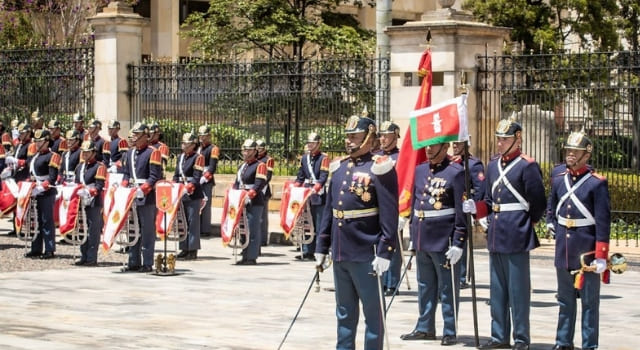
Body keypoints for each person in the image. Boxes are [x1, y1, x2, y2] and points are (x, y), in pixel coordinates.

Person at [315, 114, 398, 350]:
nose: (349, 141)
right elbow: (331, 212)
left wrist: (385, 250)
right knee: (344, 312)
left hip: (366, 251)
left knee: (373, 314)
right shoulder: (339, 168)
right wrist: (322, 246)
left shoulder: (380, 167)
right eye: (348, 137)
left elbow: (389, 214)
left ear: (369, 137)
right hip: (341, 250)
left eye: (355, 137)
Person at [462, 117, 546, 350]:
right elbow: (489, 200)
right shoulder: (493, 165)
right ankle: (499, 336)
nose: (499, 143)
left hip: (517, 232)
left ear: (517, 139)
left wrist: (525, 224)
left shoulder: (527, 165)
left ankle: (521, 338)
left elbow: (538, 201)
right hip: (497, 233)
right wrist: (476, 208)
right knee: (497, 291)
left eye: (504, 139)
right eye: (498, 139)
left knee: (518, 291)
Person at [400, 141, 467, 346]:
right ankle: (425, 326)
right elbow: (416, 204)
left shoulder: (456, 172)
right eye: (427, 146)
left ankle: (449, 329)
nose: (428, 149)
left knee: (447, 287)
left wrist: (459, 241)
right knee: (425, 285)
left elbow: (460, 210)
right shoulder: (420, 170)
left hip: (443, 238)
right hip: (422, 236)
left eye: (434, 146)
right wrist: (412, 236)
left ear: (445, 147)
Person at [547, 130, 610, 350]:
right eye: (569, 151)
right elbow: (552, 204)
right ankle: (563, 341)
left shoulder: (596, 183)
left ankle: (589, 345)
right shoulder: (558, 177)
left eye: (576, 152)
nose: (571, 155)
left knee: (589, 304)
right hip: (564, 249)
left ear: (587, 155)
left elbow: (603, 221)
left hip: (586, 254)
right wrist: (550, 222)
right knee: (564, 301)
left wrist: (601, 255)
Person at [120, 122, 163, 273]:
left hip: (146, 196)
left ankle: (147, 262)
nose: (134, 137)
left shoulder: (153, 152)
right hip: (132, 195)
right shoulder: (130, 153)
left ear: (145, 137)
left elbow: (154, 176)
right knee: (133, 229)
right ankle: (133, 261)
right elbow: (126, 173)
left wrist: (143, 190)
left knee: (147, 231)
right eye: (133, 134)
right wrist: (124, 186)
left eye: (137, 135)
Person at [450, 139, 486, 289]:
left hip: (465, 206)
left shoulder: (473, 164)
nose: (455, 146)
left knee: (461, 239)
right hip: (451, 206)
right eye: (454, 144)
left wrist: (475, 209)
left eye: (458, 143)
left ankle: (462, 275)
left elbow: (480, 188)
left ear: (467, 144)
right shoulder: (450, 162)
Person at [375, 121, 403, 296]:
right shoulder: (375, 156)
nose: (383, 139)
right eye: (381, 135)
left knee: (393, 245)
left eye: (386, 135)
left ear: (395, 136)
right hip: (376, 204)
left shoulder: (401, 157)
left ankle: (392, 282)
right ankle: (380, 280)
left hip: (394, 205)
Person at [24, 129, 61, 259]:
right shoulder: (35, 156)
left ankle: (49, 249)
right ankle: (36, 248)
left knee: (47, 220)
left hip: (46, 191)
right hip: (35, 190)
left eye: (41, 142)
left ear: (47, 141)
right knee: (36, 221)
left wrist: (41, 187)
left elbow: (52, 178)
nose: (38, 144)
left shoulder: (53, 156)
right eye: (37, 141)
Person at [293, 132, 329, 260]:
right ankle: (307, 250)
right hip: (305, 194)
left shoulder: (324, 158)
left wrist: (316, 188)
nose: (309, 145)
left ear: (319, 144)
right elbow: (300, 176)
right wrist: (294, 188)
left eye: (312, 143)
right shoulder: (304, 158)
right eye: (308, 142)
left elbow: (323, 177)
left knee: (318, 225)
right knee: (306, 224)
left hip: (318, 195)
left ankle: (318, 250)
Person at [233, 139, 267, 265]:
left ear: (254, 151)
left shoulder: (260, 165)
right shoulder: (242, 166)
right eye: (244, 150)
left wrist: (250, 195)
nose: (245, 152)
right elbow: (237, 183)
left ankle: (251, 256)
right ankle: (245, 254)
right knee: (243, 229)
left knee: (252, 229)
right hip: (242, 200)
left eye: (248, 150)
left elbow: (259, 184)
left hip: (254, 201)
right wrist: (233, 194)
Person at [74, 140, 107, 266]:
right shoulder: (79, 167)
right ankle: (83, 255)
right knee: (83, 228)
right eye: (84, 152)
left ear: (94, 153)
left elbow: (99, 186)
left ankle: (92, 257)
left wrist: (88, 192)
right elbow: (77, 182)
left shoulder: (99, 167)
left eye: (88, 152)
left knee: (93, 230)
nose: (85, 154)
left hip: (94, 202)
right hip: (81, 200)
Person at [174, 131, 205, 260]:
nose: (184, 145)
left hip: (192, 193)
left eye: (186, 143)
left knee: (192, 222)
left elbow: (197, 177)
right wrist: (174, 186)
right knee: (182, 222)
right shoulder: (181, 157)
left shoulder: (198, 158)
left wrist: (189, 187)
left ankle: (192, 249)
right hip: (181, 192)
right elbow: (176, 174)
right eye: (183, 143)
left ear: (193, 145)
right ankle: (183, 247)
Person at [197, 125, 219, 237]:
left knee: (206, 205)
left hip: (206, 180)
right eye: (200, 135)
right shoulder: (198, 148)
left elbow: (212, 167)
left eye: (204, 136)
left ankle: (205, 229)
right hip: (197, 178)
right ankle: (198, 227)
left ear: (209, 136)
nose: (202, 138)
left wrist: (204, 178)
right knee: (197, 204)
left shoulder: (213, 149)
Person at [256, 139, 274, 247]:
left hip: (264, 190)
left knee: (262, 216)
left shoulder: (268, 160)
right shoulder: (254, 160)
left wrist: (260, 186)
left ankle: (263, 239)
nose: (258, 151)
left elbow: (268, 176)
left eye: (260, 149)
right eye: (257, 149)